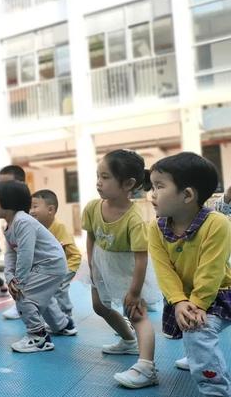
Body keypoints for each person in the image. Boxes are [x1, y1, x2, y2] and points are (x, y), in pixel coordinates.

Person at [149, 152, 231, 395]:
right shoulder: (156, 227)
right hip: (185, 297)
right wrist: (178, 300)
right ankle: (199, 354)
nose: (151, 194)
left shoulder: (216, 223)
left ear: (187, 195)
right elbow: (164, 270)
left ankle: (215, 391)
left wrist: (194, 305)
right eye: (152, 186)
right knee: (196, 336)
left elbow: (211, 270)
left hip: (219, 292)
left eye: (159, 186)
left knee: (197, 330)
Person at [82, 149, 158, 388]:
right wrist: (92, 265)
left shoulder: (134, 219)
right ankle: (127, 340)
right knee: (98, 306)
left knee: (136, 314)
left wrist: (134, 292)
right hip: (100, 264)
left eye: (105, 177)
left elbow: (141, 259)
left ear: (128, 184)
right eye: (98, 175)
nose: (98, 182)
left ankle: (147, 367)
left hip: (127, 271)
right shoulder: (93, 207)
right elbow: (91, 237)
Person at [0, 181, 76, 353]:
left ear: (8, 201)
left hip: (50, 264)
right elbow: (10, 254)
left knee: (24, 297)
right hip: (45, 265)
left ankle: (38, 337)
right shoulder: (10, 224)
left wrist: (19, 283)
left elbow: (25, 254)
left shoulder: (23, 221)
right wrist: (9, 278)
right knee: (44, 298)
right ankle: (63, 325)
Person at [30, 189, 81, 320]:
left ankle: (66, 314)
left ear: (50, 210)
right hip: (51, 268)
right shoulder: (37, 228)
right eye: (30, 207)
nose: (31, 211)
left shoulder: (59, 227)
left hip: (67, 265)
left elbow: (74, 254)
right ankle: (55, 317)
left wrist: (67, 271)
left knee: (59, 288)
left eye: (35, 206)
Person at [0, 164, 27, 320]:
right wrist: (9, 276)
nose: (1, 190)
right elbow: (10, 251)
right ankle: (20, 305)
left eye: (6, 185)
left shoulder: (28, 215)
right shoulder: (9, 216)